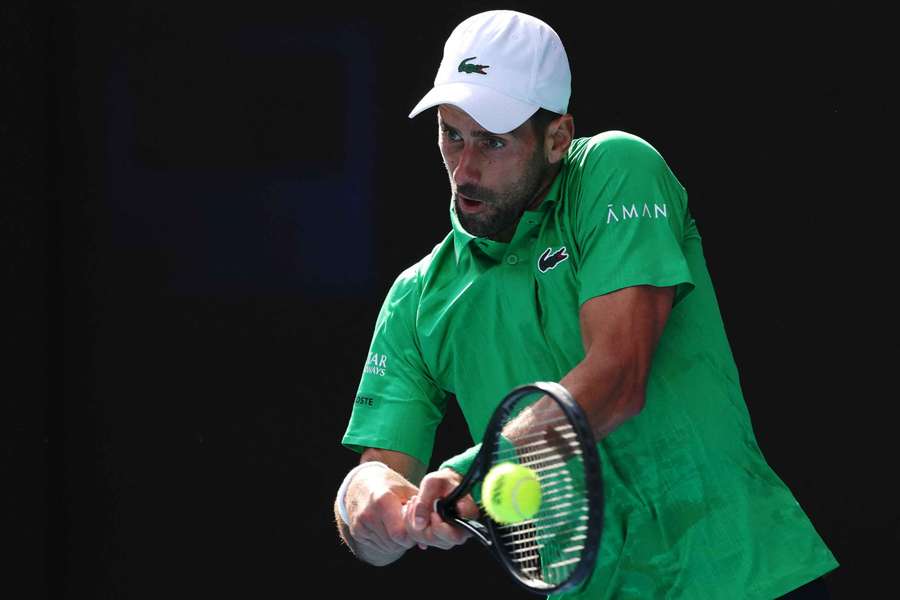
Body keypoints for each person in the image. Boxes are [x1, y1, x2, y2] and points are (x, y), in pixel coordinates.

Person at [333, 9, 838, 599]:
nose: (464, 169)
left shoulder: (616, 171)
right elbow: (380, 491)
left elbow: (620, 378)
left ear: (557, 138)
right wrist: (373, 508)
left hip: (744, 579)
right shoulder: (415, 300)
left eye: (493, 141)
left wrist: (478, 468)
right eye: (451, 134)